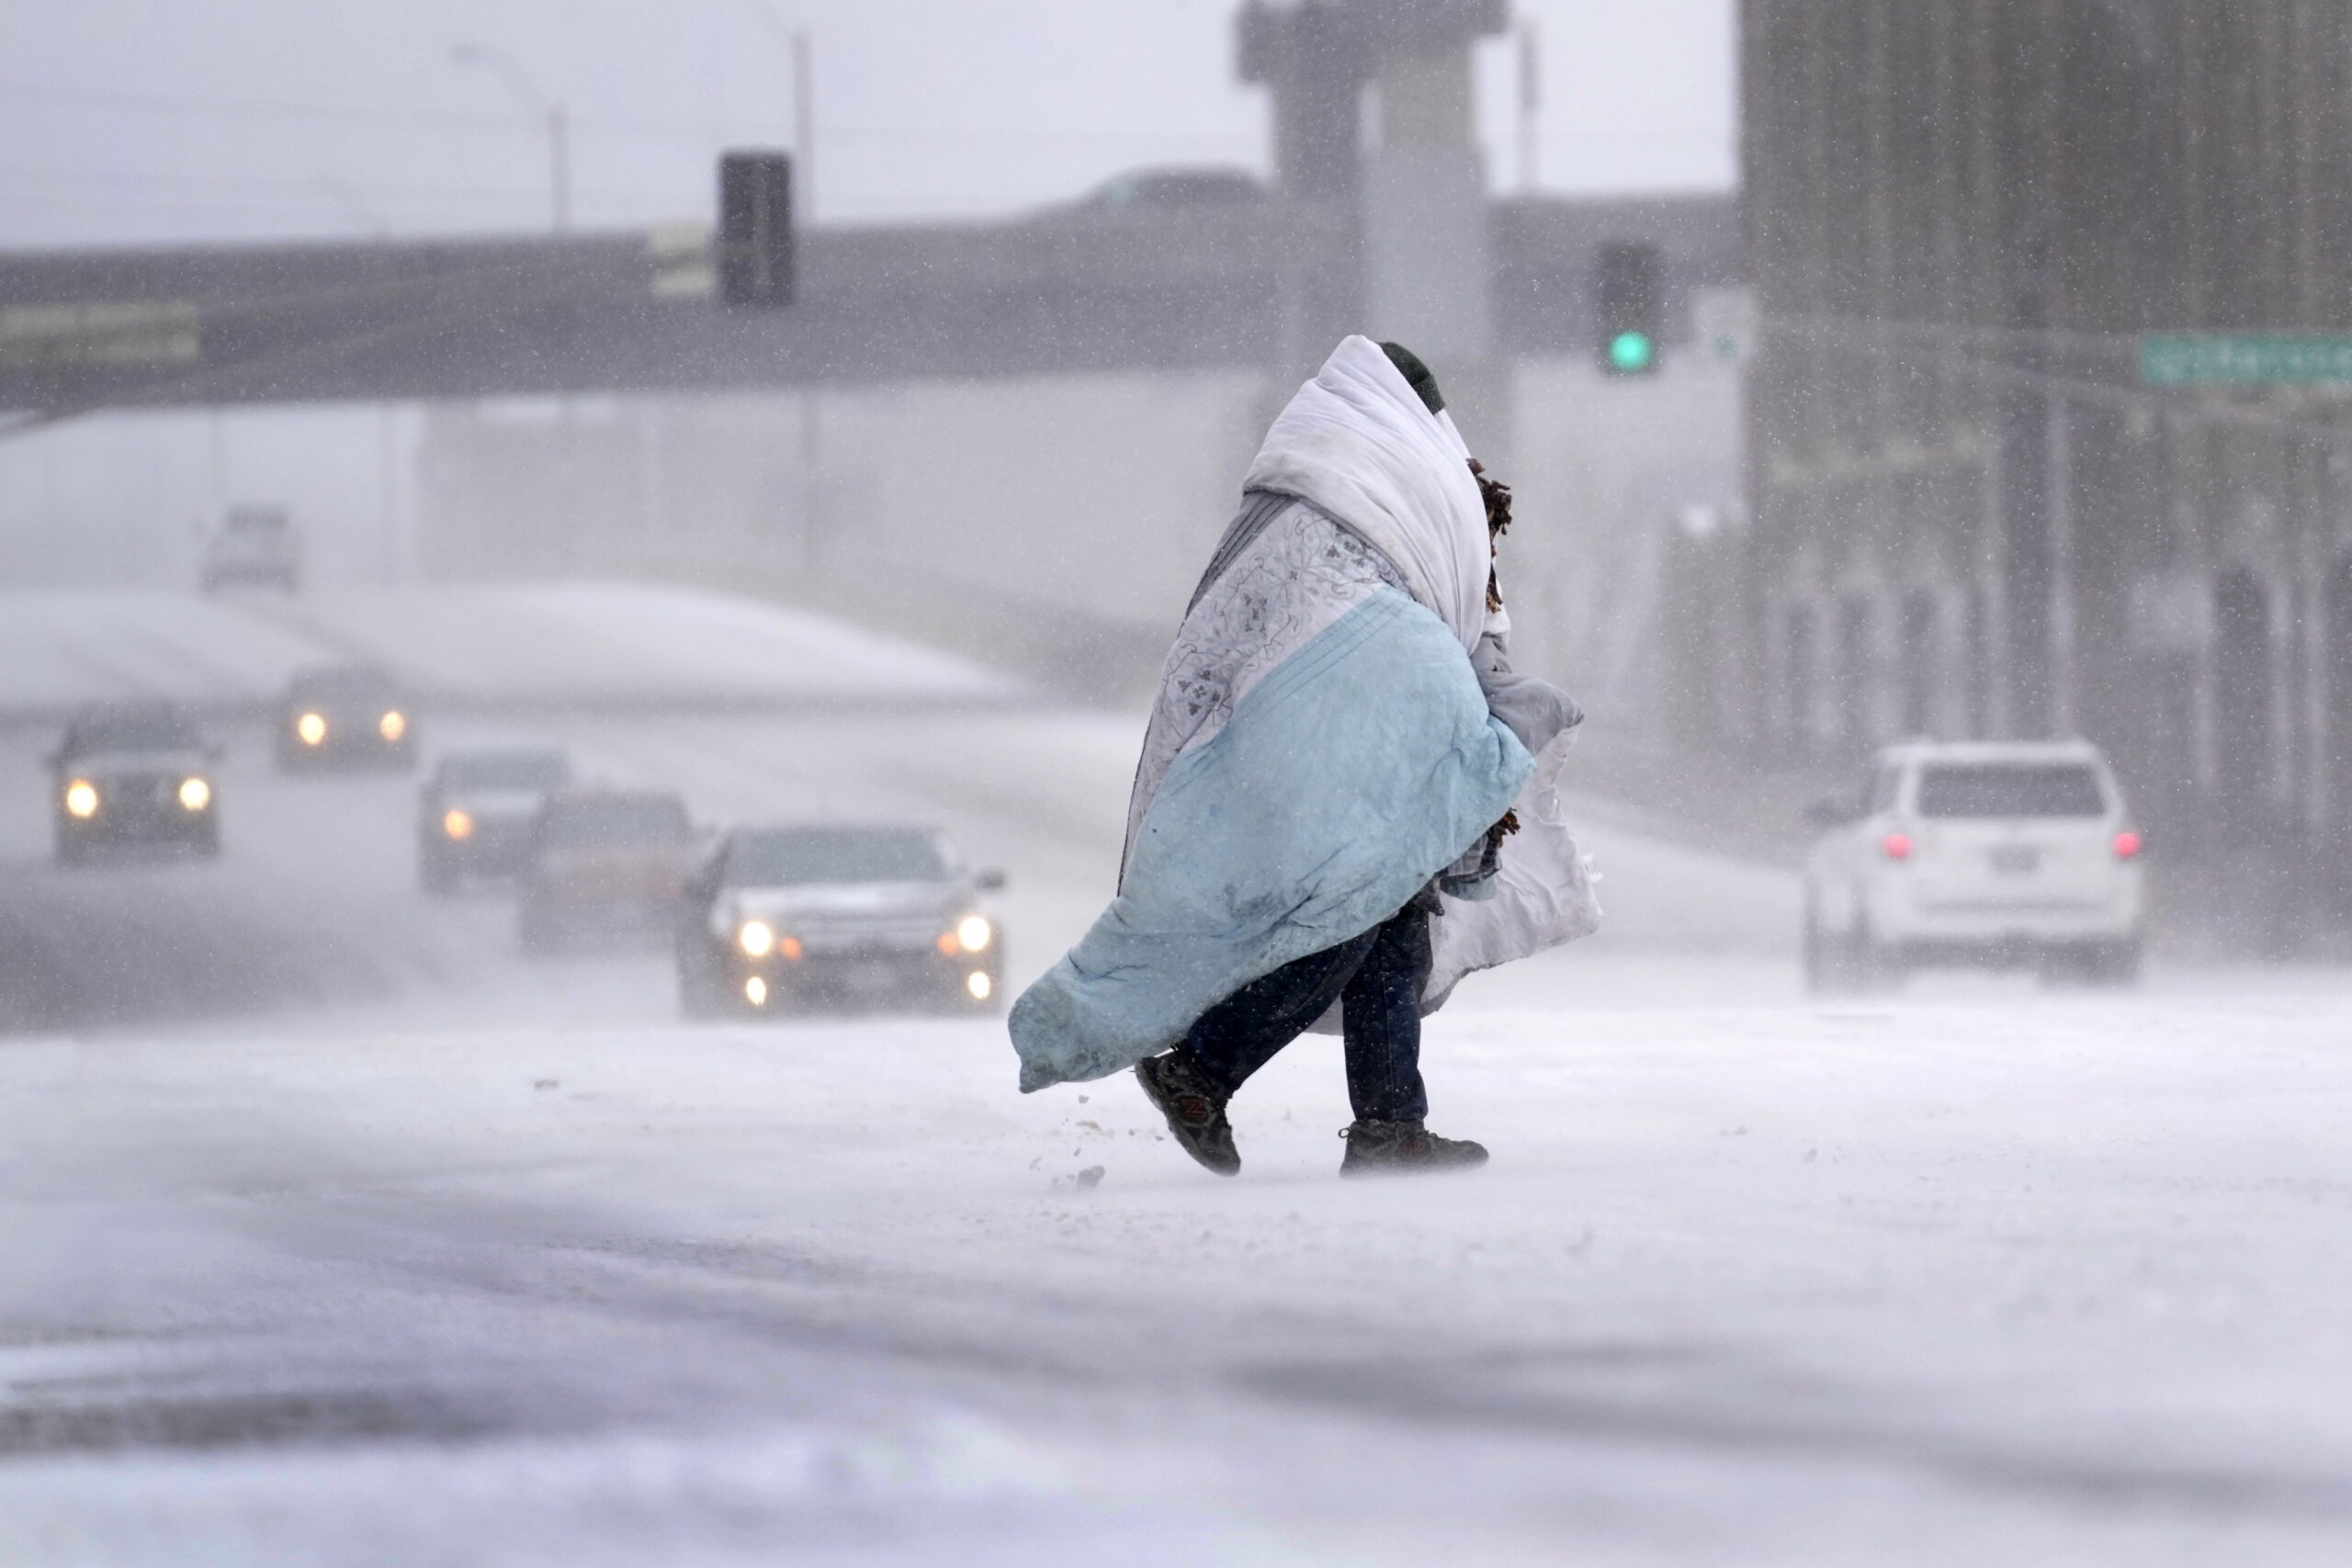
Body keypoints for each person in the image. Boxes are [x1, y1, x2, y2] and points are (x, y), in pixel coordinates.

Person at [1008, 337, 1587, 1178]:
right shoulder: (1409, 482)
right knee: (1354, 906)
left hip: (1285, 728)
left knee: (1388, 910)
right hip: (1341, 728)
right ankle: (1202, 1069)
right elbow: (1445, 608)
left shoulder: (1299, 490)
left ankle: (1390, 1121)